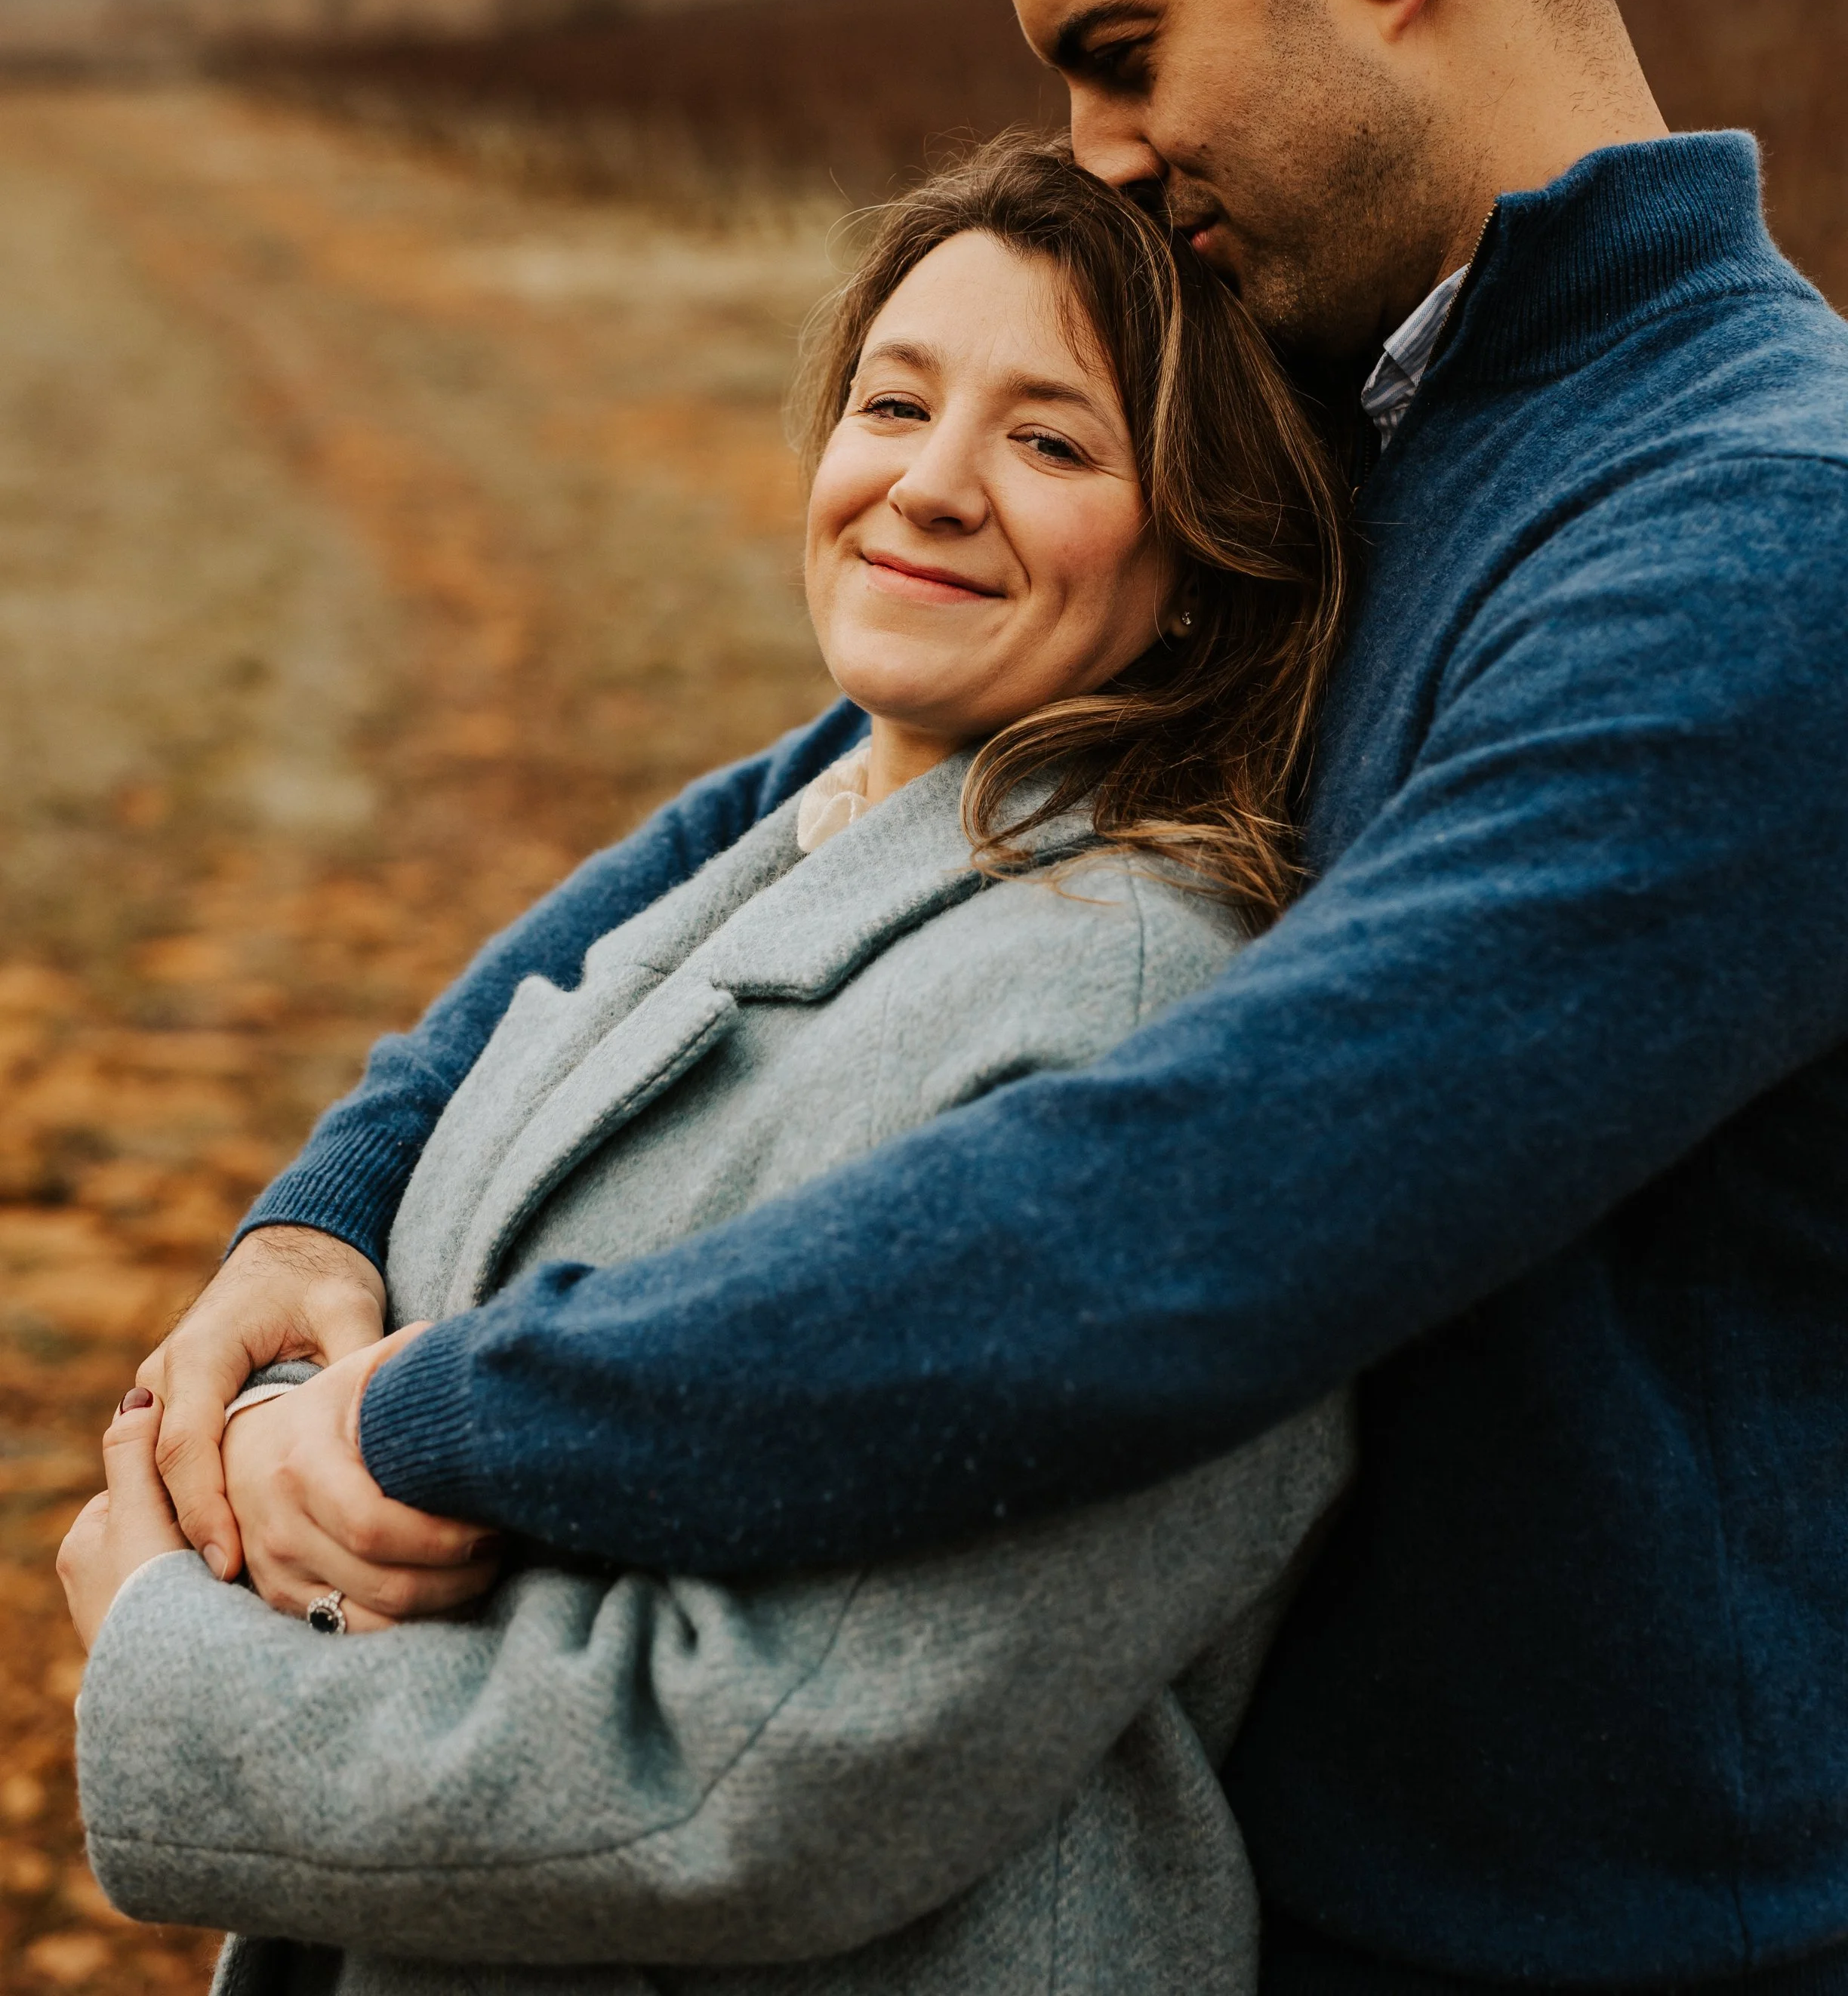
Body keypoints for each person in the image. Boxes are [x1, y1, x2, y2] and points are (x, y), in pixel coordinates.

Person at [131, 0, 1848, 1992]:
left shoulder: (1764, 536)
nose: (1091, 150)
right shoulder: (1369, 413)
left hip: (1584, 1942)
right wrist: (340, 1190)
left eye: (1116, 48)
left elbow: (1209, 1203)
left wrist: (435, 1424)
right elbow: (797, 789)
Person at [62, 142, 1357, 1994]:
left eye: (1053, 444)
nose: (927, 483)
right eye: (893, 401)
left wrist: (192, 1672)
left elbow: (772, 1767)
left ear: (1208, 552)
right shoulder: (831, 829)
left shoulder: (1131, 1019)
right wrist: (296, 1390)